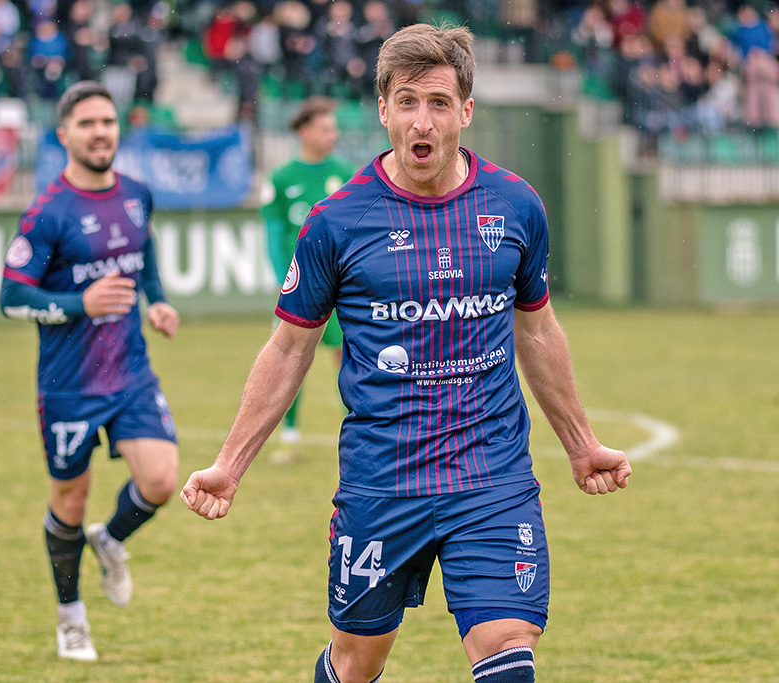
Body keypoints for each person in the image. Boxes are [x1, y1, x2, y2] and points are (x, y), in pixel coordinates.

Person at [181, 23, 632, 683]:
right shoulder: (337, 222)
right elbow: (288, 350)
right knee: (358, 661)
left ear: (466, 112)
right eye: (410, 101)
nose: (425, 120)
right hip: (383, 482)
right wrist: (231, 463)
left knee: (508, 647)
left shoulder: (514, 205)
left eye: (441, 103)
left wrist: (581, 443)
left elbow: (537, 331)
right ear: (385, 109)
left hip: (492, 478)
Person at [0, 80, 180, 662]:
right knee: (69, 502)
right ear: (65, 135)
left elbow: (143, 255)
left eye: (107, 121)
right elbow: (9, 296)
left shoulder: (137, 194)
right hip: (68, 385)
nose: (100, 131)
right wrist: (81, 304)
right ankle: (70, 616)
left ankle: (112, 538)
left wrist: (155, 299)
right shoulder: (48, 213)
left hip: (129, 373)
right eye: (87, 124)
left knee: (160, 480)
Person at [260, 96, 358, 461]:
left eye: (334, 129)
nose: (332, 135)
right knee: (289, 357)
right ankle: (290, 436)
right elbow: (273, 233)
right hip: (299, 287)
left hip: (342, 286)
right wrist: (279, 278)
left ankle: (359, 432)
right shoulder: (281, 178)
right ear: (304, 131)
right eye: (325, 128)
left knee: (348, 356)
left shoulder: (348, 173)